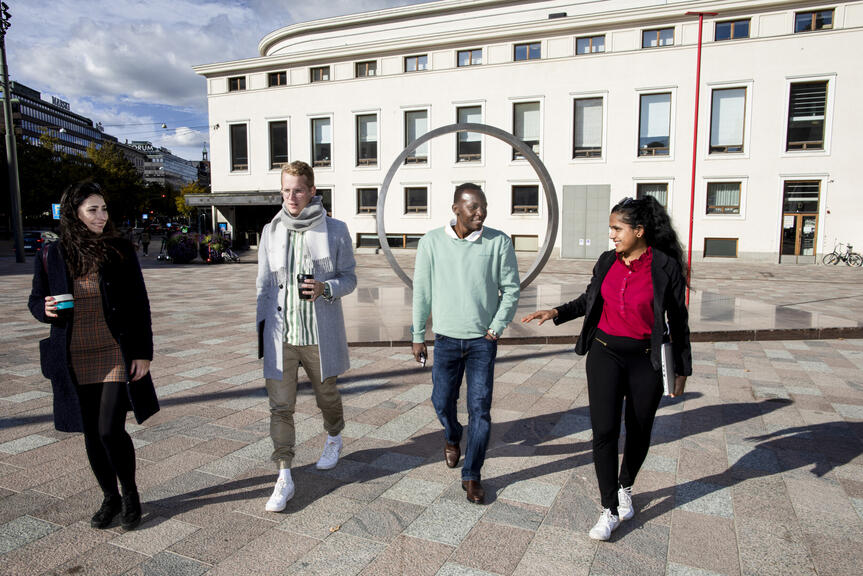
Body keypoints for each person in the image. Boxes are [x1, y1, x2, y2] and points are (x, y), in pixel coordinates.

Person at [522, 195, 691, 541]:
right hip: (604, 354)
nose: (612, 235)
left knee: (640, 429)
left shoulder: (664, 266)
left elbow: (679, 320)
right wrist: (556, 312)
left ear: (639, 231)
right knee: (604, 432)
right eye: (611, 229)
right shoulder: (606, 261)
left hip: (647, 359)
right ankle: (609, 507)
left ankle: (625, 485)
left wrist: (682, 369)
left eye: (618, 229)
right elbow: (590, 299)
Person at [28, 181, 158, 532]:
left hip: (114, 351)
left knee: (108, 429)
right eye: (93, 210)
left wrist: (143, 353)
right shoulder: (52, 254)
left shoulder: (119, 250)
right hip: (73, 355)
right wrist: (46, 309)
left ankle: (130, 494)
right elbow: (36, 301)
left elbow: (139, 304)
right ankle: (109, 497)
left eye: (103, 208)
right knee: (90, 433)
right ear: (74, 213)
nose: (102, 216)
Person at [256, 160, 357, 512]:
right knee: (280, 407)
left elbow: (350, 278)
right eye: (285, 190)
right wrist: (261, 333)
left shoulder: (335, 229)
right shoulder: (271, 231)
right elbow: (263, 285)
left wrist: (326, 288)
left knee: (326, 395)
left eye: (298, 189)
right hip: (281, 335)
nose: (291, 196)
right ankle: (284, 475)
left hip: (317, 334)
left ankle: (334, 435)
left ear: (312, 190)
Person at [411, 183, 520, 504]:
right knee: (441, 402)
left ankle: (472, 474)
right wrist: (418, 335)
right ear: (456, 208)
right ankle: (452, 435)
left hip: (482, 343)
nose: (480, 212)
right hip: (445, 340)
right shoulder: (431, 242)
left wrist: (496, 327)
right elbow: (422, 292)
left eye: (483, 206)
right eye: (473, 207)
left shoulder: (498, 242)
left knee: (480, 411)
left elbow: (511, 289)